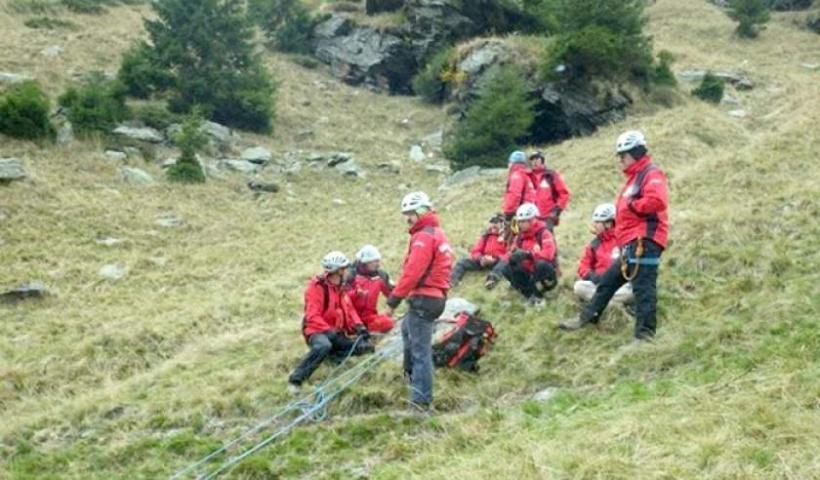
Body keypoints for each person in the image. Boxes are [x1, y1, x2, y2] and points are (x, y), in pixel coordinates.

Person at [560, 130, 669, 343]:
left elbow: (657, 201)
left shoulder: (650, 174)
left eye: (623, 155)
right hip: (631, 244)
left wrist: (632, 206)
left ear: (636, 153)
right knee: (608, 282)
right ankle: (587, 317)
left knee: (643, 289)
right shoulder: (635, 178)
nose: (620, 159)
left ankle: (645, 336)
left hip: (644, 241)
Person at [386, 191, 453, 411]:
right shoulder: (437, 233)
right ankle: (413, 380)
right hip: (435, 297)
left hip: (424, 298)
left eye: (411, 214)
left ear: (422, 212)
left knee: (420, 351)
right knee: (407, 332)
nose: (408, 218)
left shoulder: (423, 237)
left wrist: (393, 300)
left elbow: (412, 272)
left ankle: (420, 402)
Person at [288, 251, 373, 393]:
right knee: (323, 346)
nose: (348, 271)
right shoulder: (316, 288)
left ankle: (332, 356)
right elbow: (312, 315)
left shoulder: (340, 286)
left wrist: (360, 327)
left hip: (335, 332)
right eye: (345, 268)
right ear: (338, 271)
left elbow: (349, 309)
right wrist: (327, 330)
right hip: (315, 330)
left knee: (364, 347)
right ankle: (296, 380)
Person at [574, 203, 634, 306]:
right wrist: (593, 276)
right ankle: (611, 304)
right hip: (598, 285)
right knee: (579, 286)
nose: (594, 225)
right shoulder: (593, 245)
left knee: (631, 291)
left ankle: (599, 303)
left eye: (598, 222)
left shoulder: (624, 241)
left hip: (620, 286)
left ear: (609, 223)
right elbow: (583, 267)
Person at [502, 203, 558, 306]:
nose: (520, 224)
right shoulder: (519, 236)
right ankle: (530, 295)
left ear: (532, 220)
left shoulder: (544, 233)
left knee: (541, 264)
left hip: (545, 274)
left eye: (523, 221)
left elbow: (549, 254)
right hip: (529, 273)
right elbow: (510, 252)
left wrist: (529, 254)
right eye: (519, 221)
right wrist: (510, 258)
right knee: (506, 268)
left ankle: (540, 293)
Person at [450, 213, 508, 290]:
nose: (493, 225)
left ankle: (492, 279)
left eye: (496, 223)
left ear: (502, 223)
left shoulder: (509, 235)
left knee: (504, 262)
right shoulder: (487, 235)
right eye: (492, 223)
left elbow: (509, 253)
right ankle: (453, 280)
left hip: (498, 261)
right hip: (483, 260)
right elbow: (476, 251)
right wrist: (480, 258)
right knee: (462, 262)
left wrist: (495, 259)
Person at [346, 244, 395, 334]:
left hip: (370, 317)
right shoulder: (350, 275)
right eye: (374, 261)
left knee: (388, 322)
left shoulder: (381, 275)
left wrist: (391, 306)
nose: (377, 264)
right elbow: (342, 298)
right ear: (365, 262)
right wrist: (356, 293)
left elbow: (393, 293)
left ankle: (366, 331)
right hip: (351, 317)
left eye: (377, 261)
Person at [529, 151, 571, 231]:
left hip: (547, 217)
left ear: (542, 160)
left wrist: (556, 211)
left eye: (537, 159)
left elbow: (564, 194)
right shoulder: (528, 176)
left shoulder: (551, 175)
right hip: (530, 218)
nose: (534, 162)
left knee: (547, 241)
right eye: (532, 159)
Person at [502, 150, 536, 222]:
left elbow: (515, 194)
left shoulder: (517, 175)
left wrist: (508, 213)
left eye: (509, 163)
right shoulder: (526, 175)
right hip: (529, 213)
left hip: (521, 215)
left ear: (511, 163)